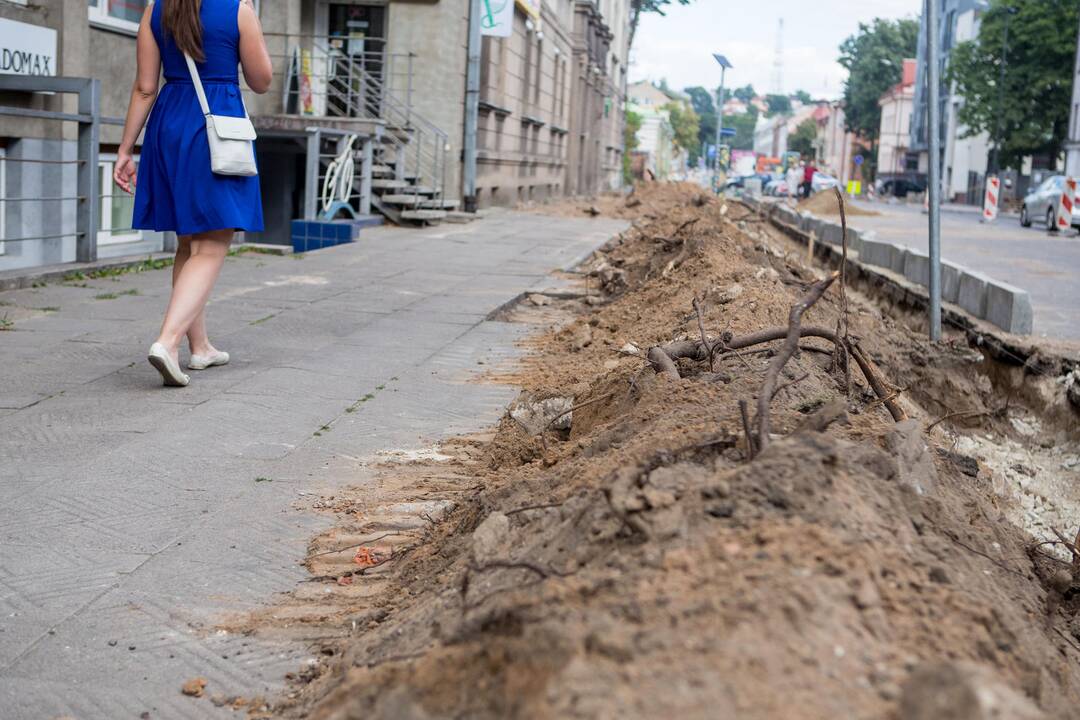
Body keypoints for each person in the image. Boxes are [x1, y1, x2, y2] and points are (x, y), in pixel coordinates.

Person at [114, 0, 272, 386]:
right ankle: (167, 343)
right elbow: (262, 80)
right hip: (215, 124)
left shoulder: (155, 9)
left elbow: (145, 87)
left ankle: (200, 347)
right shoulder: (238, 10)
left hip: (169, 123)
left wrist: (124, 148)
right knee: (212, 243)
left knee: (189, 242)